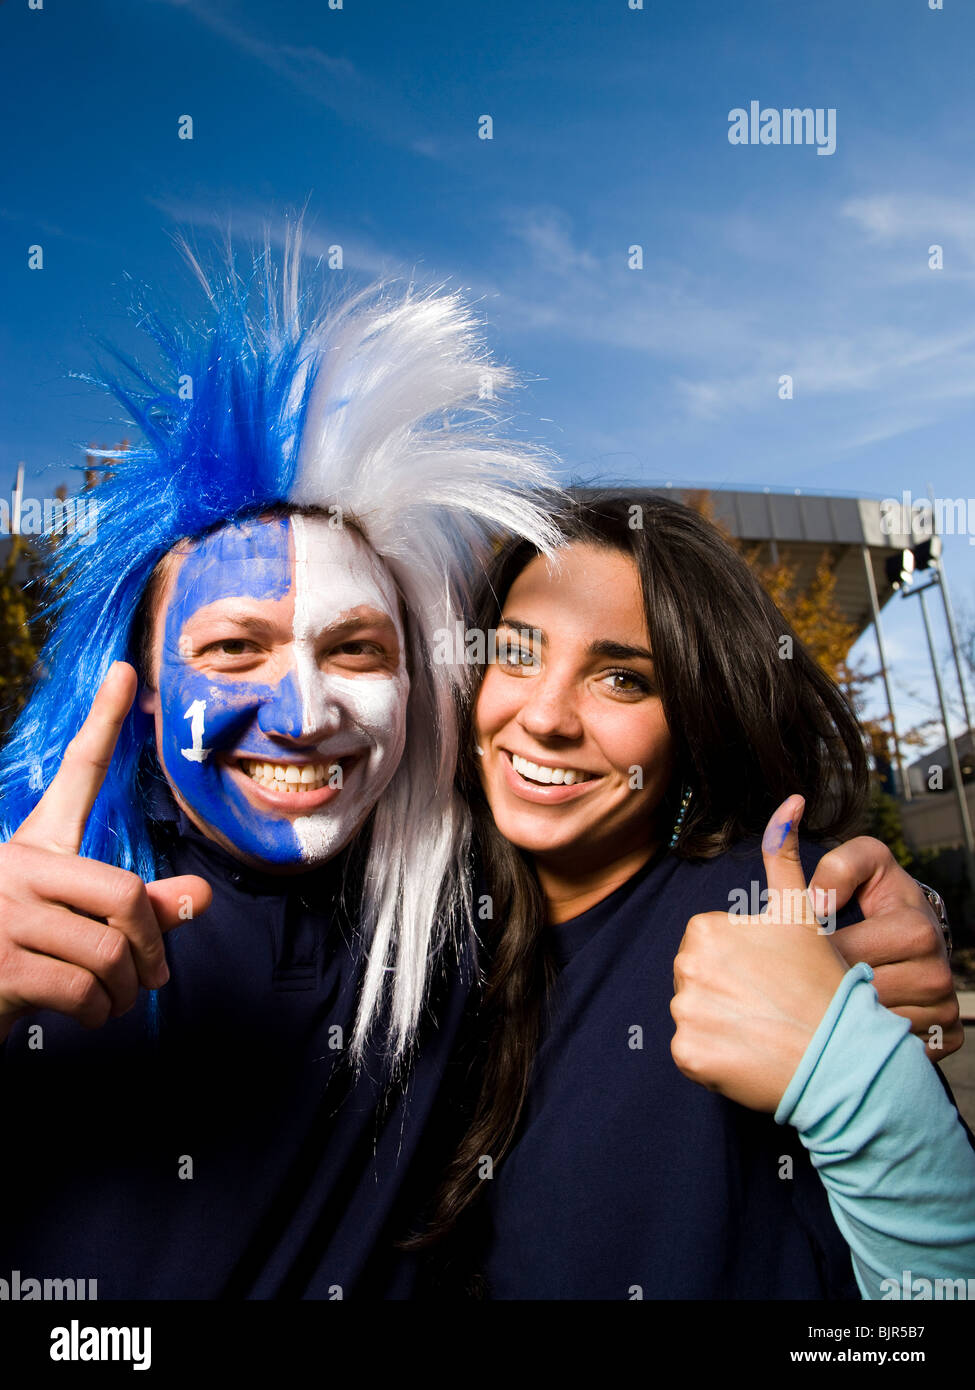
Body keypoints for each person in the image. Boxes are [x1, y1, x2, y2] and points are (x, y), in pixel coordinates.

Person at [0, 240, 559, 1298]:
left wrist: (836, 920)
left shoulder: (468, 909)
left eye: (356, 650)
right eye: (234, 648)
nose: (303, 716)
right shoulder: (31, 892)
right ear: (146, 686)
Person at [406, 492, 975, 1299]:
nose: (544, 716)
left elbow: (939, 1284)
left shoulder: (770, 909)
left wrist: (854, 1078)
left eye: (621, 680)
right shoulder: (432, 914)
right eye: (517, 654)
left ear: (696, 723)